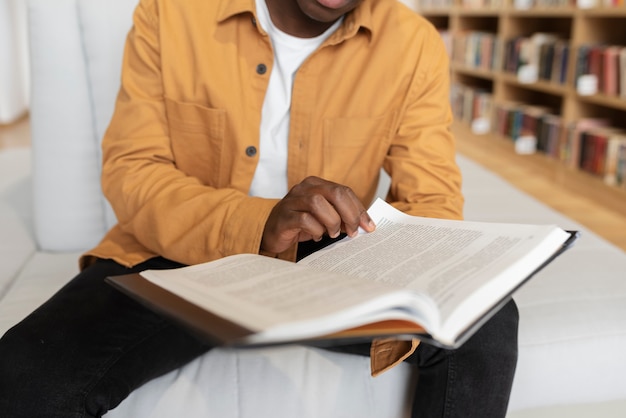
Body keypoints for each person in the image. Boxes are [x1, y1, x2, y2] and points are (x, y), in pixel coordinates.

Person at [0, 0, 519, 416]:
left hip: (330, 264)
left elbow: (432, 199)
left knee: (485, 316)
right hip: (175, 256)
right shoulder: (169, 12)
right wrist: (256, 223)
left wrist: (418, 262)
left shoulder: (412, 44)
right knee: (23, 377)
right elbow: (132, 170)